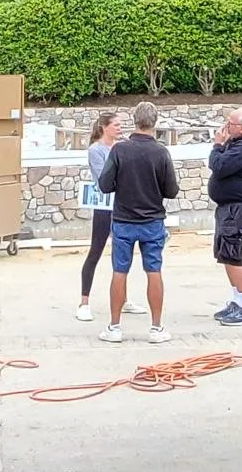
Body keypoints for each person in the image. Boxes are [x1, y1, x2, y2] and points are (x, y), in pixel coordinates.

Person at [95, 100, 176, 344]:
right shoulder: (161, 152)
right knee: (154, 270)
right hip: (152, 220)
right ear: (155, 123)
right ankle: (156, 327)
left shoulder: (120, 150)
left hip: (124, 219)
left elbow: (104, 185)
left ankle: (114, 326)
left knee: (120, 270)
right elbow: (171, 190)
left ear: (134, 121)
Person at [75, 110, 141, 321]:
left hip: (122, 205)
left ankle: (123, 299)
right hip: (105, 205)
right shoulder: (96, 150)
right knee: (96, 250)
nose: (120, 128)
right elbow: (103, 177)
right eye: (116, 125)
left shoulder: (122, 146)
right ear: (105, 127)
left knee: (122, 253)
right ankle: (84, 302)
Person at [207, 106, 242, 325]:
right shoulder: (238, 142)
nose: (226, 126)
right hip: (229, 208)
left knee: (234, 257)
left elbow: (218, 166)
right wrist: (225, 143)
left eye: (230, 123)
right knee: (226, 256)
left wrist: (217, 145)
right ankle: (236, 300)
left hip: (239, 210)